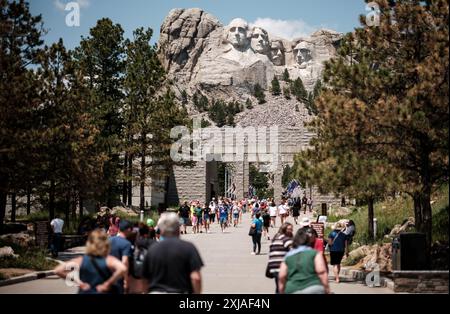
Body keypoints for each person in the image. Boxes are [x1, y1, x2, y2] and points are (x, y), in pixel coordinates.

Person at [142, 212, 204, 294]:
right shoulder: (188, 248)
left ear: (161, 230)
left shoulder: (152, 249)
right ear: (178, 228)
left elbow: (144, 279)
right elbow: (196, 278)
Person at [54, 230, 126, 294]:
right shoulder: (109, 259)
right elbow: (122, 268)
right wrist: (107, 284)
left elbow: (58, 270)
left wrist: (79, 283)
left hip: (86, 291)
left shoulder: (81, 260)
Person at [278, 227, 330, 294]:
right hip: (313, 287)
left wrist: (281, 290)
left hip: (293, 289)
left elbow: (282, 276)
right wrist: (327, 288)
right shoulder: (314, 253)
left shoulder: (288, 256)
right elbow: (321, 272)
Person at [266, 223, 294, 293]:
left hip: (273, 266)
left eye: (291, 229)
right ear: (284, 230)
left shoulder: (275, 238)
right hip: (282, 267)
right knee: (284, 288)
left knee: (279, 287)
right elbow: (293, 253)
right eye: (289, 229)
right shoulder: (286, 239)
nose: (291, 231)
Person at [109, 220, 133, 293]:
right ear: (129, 229)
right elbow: (125, 262)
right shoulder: (126, 244)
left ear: (119, 229)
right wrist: (126, 280)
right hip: (118, 277)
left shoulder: (109, 240)